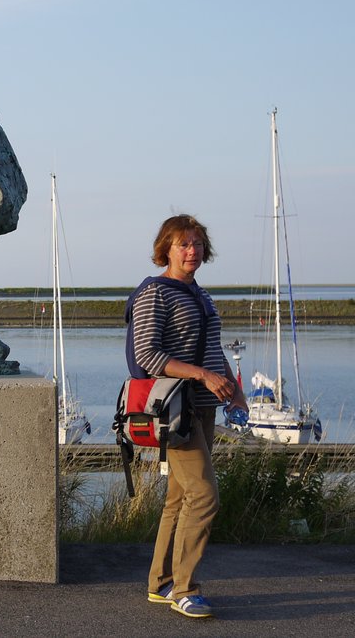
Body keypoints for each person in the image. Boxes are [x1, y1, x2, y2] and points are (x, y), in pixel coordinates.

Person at [127, 214, 247, 619]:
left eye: (196, 243)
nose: (192, 250)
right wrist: (202, 375)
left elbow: (211, 349)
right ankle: (185, 588)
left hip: (205, 406)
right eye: (183, 244)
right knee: (204, 496)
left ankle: (160, 583)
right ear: (166, 248)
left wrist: (235, 389)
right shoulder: (154, 293)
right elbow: (148, 355)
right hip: (175, 410)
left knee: (179, 498)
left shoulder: (201, 294)